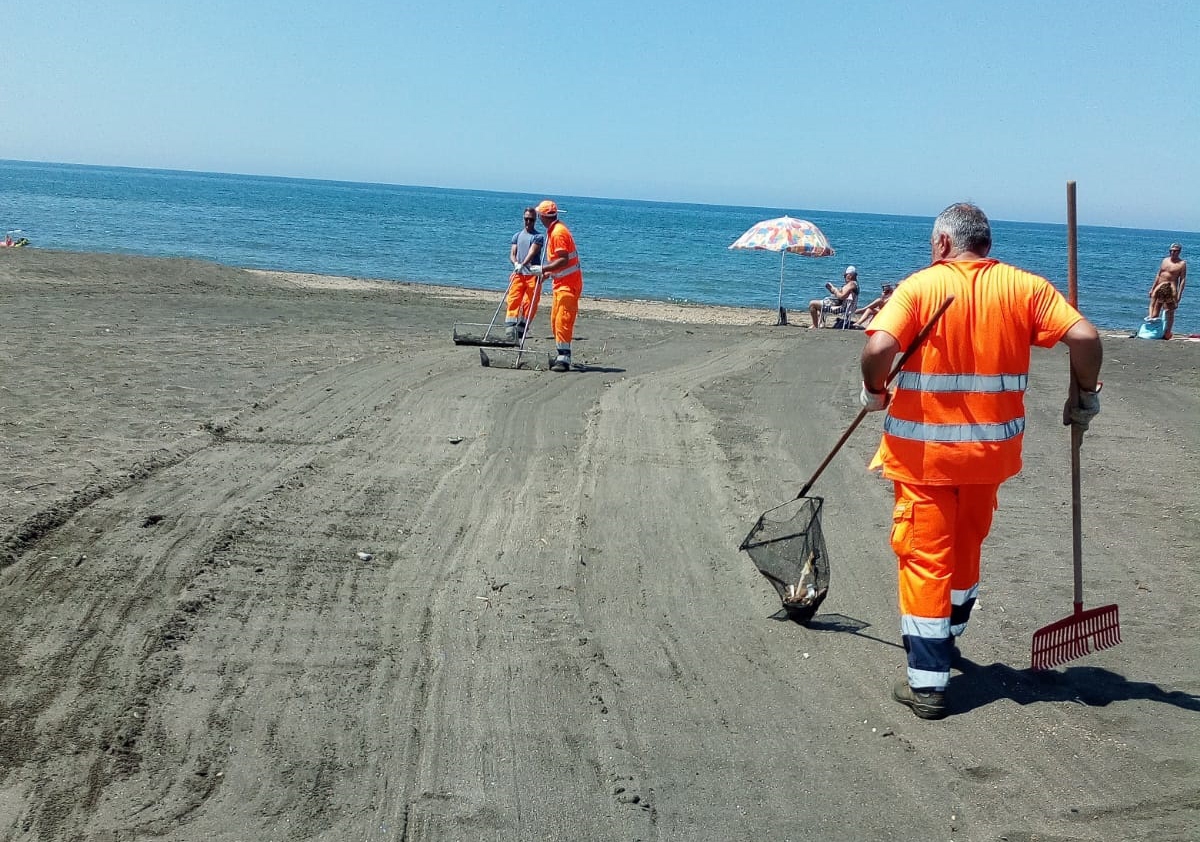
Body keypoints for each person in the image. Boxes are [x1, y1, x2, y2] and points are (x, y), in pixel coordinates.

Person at [859, 202, 1103, 720]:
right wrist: (1086, 393)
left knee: (926, 558)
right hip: (990, 457)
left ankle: (927, 684)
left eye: (933, 245)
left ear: (944, 244)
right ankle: (948, 636)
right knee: (966, 545)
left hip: (925, 458)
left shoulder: (920, 286)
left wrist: (873, 391)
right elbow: (1083, 336)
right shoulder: (1024, 287)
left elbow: (879, 345)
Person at [535, 200, 583, 372]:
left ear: (543, 216)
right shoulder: (554, 230)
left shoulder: (558, 233)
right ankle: (561, 353)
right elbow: (561, 263)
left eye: (539, 215)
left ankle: (564, 358)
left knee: (563, 320)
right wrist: (547, 274)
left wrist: (543, 269)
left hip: (569, 285)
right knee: (555, 320)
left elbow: (563, 259)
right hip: (561, 282)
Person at [504, 208, 545, 341]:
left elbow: (532, 252)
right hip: (518, 275)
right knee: (513, 300)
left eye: (531, 219)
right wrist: (516, 263)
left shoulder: (538, 237)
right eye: (526, 219)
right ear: (523, 219)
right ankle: (510, 328)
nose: (528, 222)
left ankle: (522, 328)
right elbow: (512, 253)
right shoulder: (517, 236)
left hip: (532, 275)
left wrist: (523, 264)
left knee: (529, 303)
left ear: (535, 220)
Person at [1147, 243, 1187, 340]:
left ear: (1179, 252)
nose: (1172, 252)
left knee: (1170, 311)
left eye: (1175, 251)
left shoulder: (1182, 264)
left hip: (1171, 290)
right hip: (1160, 288)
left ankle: (1168, 332)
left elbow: (1182, 280)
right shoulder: (1165, 260)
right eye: (1171, 250)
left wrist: (1179, 295)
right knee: (1155, 310)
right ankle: (1154, 329)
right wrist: (1152, 288)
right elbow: (1159, 274)